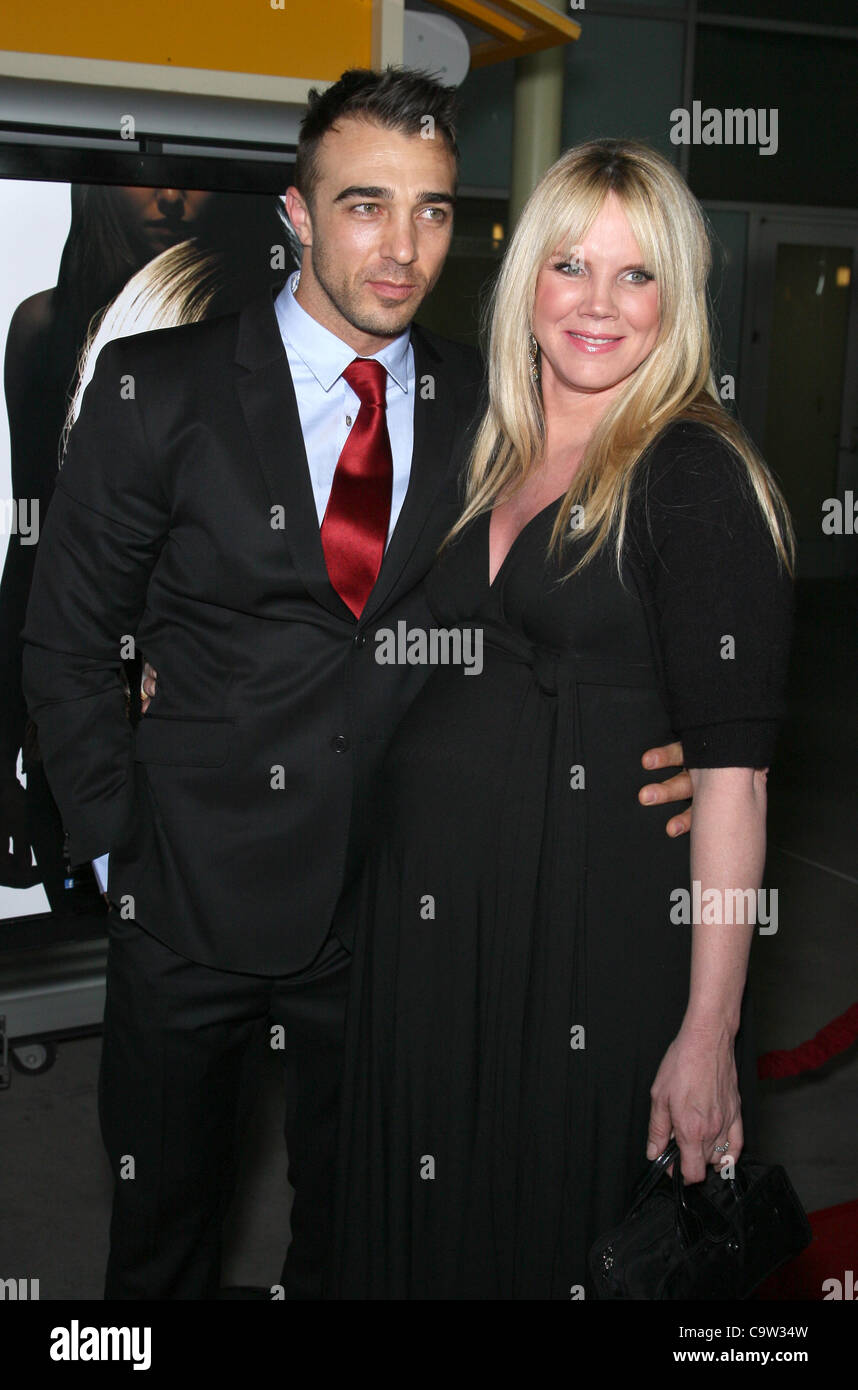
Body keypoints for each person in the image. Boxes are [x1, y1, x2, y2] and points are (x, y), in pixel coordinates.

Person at [21, 71, 692, 1300]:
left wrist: (685, 743)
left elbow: (573, 604)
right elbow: (67, 638)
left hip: (397, 908)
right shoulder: (158, 389)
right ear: (295, 210)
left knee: (365, 1236)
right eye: (365, 205)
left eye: (433, 211)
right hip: (186, 897)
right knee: (159, 1238)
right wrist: (121, 848)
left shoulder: (493, 402)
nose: (401, 248)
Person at [331, 138, 795, 1300]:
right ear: (527, 278)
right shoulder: (486, 439)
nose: (598, 303)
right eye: (572, 265)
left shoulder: (692, 473)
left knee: (548, 1235)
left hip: (584, 944)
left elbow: (736, 781)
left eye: (638, 276)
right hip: (439, 942)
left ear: (677, 299)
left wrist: (710, 1033)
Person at [0, 182, 292, 904]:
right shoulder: (46, 329)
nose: (168, 198)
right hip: (79, 706)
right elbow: (34, 542)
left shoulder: (267, 321)